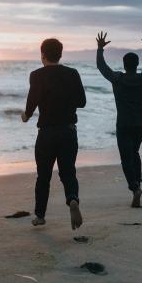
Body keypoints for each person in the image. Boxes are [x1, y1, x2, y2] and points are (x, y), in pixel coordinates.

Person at [21, 38, 86, 230]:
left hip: (47, 133)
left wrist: (25, 116)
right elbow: (82, 102)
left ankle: (40, 216)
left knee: (43, 176)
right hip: (68, 131)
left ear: (42, 55)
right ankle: (72, 200)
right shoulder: (73, 73)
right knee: (68, 171)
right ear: (61, 54)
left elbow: (32, 102)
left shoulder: (36, 75)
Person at [96, 30, 142, 207]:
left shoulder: (118, 79)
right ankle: (138, 184)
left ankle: (135, 187)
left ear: (124, 64)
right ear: (137, 64)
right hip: (141, 122)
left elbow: (102, 67)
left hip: (124, 123)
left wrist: (100, 49)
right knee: (134, 152)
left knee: (126, 156)